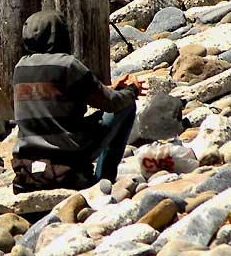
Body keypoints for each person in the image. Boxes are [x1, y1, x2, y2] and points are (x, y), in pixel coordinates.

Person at [11, 10, 145, 193]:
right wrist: (132, 90)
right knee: (126, 106)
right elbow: (111, 103)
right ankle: (104, 179)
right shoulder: (68, 64)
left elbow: (52, 98)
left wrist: (110, 88)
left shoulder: (20, 67)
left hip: (27, 159)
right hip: (68, 153)